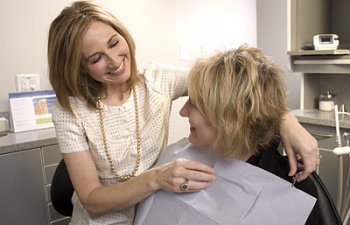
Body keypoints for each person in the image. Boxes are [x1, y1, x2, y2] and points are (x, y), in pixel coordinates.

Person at [47, 1, 319, 224]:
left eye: (115, 42)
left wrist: (286, 119)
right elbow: (92, 201)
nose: (115, 60)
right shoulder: (68, 110)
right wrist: (155, 178)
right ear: (78, 67)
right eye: (96, 58)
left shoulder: (156, 81)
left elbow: (237, 87)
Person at [134, 45, 320, 225]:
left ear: (227, 118)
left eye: (194, 104)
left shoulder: (293, 194)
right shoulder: (175, 157)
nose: (183, 112)